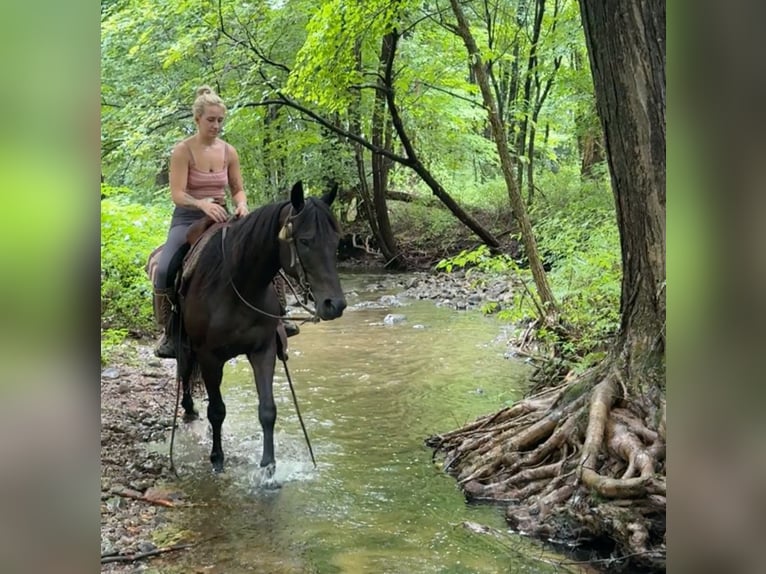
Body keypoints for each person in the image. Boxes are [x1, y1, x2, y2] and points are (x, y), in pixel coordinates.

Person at [152, 85, 297, 359]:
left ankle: (279, 315)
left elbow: (237, 188)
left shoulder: (229, 152)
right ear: (197, 119)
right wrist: (201, 204)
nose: (216, 125)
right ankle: (170, 331)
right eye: (210, 120)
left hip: (223, 214)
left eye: (220, 120)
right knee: (165, 268)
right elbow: (177, 194)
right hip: (188, 218)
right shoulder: (183, 151)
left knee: (265, 252)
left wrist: (242, 204)